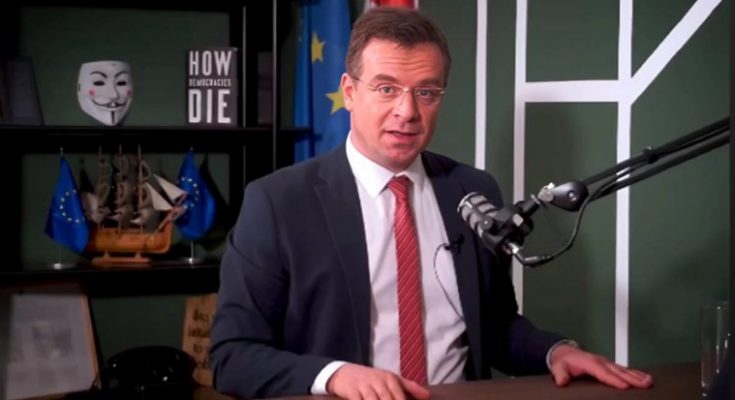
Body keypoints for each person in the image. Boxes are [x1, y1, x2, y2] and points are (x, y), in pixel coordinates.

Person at [210, 7, 653, 400]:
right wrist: (334, 376)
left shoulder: (472, 190)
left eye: (426, 92)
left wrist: (555, 352)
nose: (407, 111)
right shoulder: (278, 202)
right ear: (350, 91)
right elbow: (233, 357)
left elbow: (494, 326)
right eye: (386, 89)